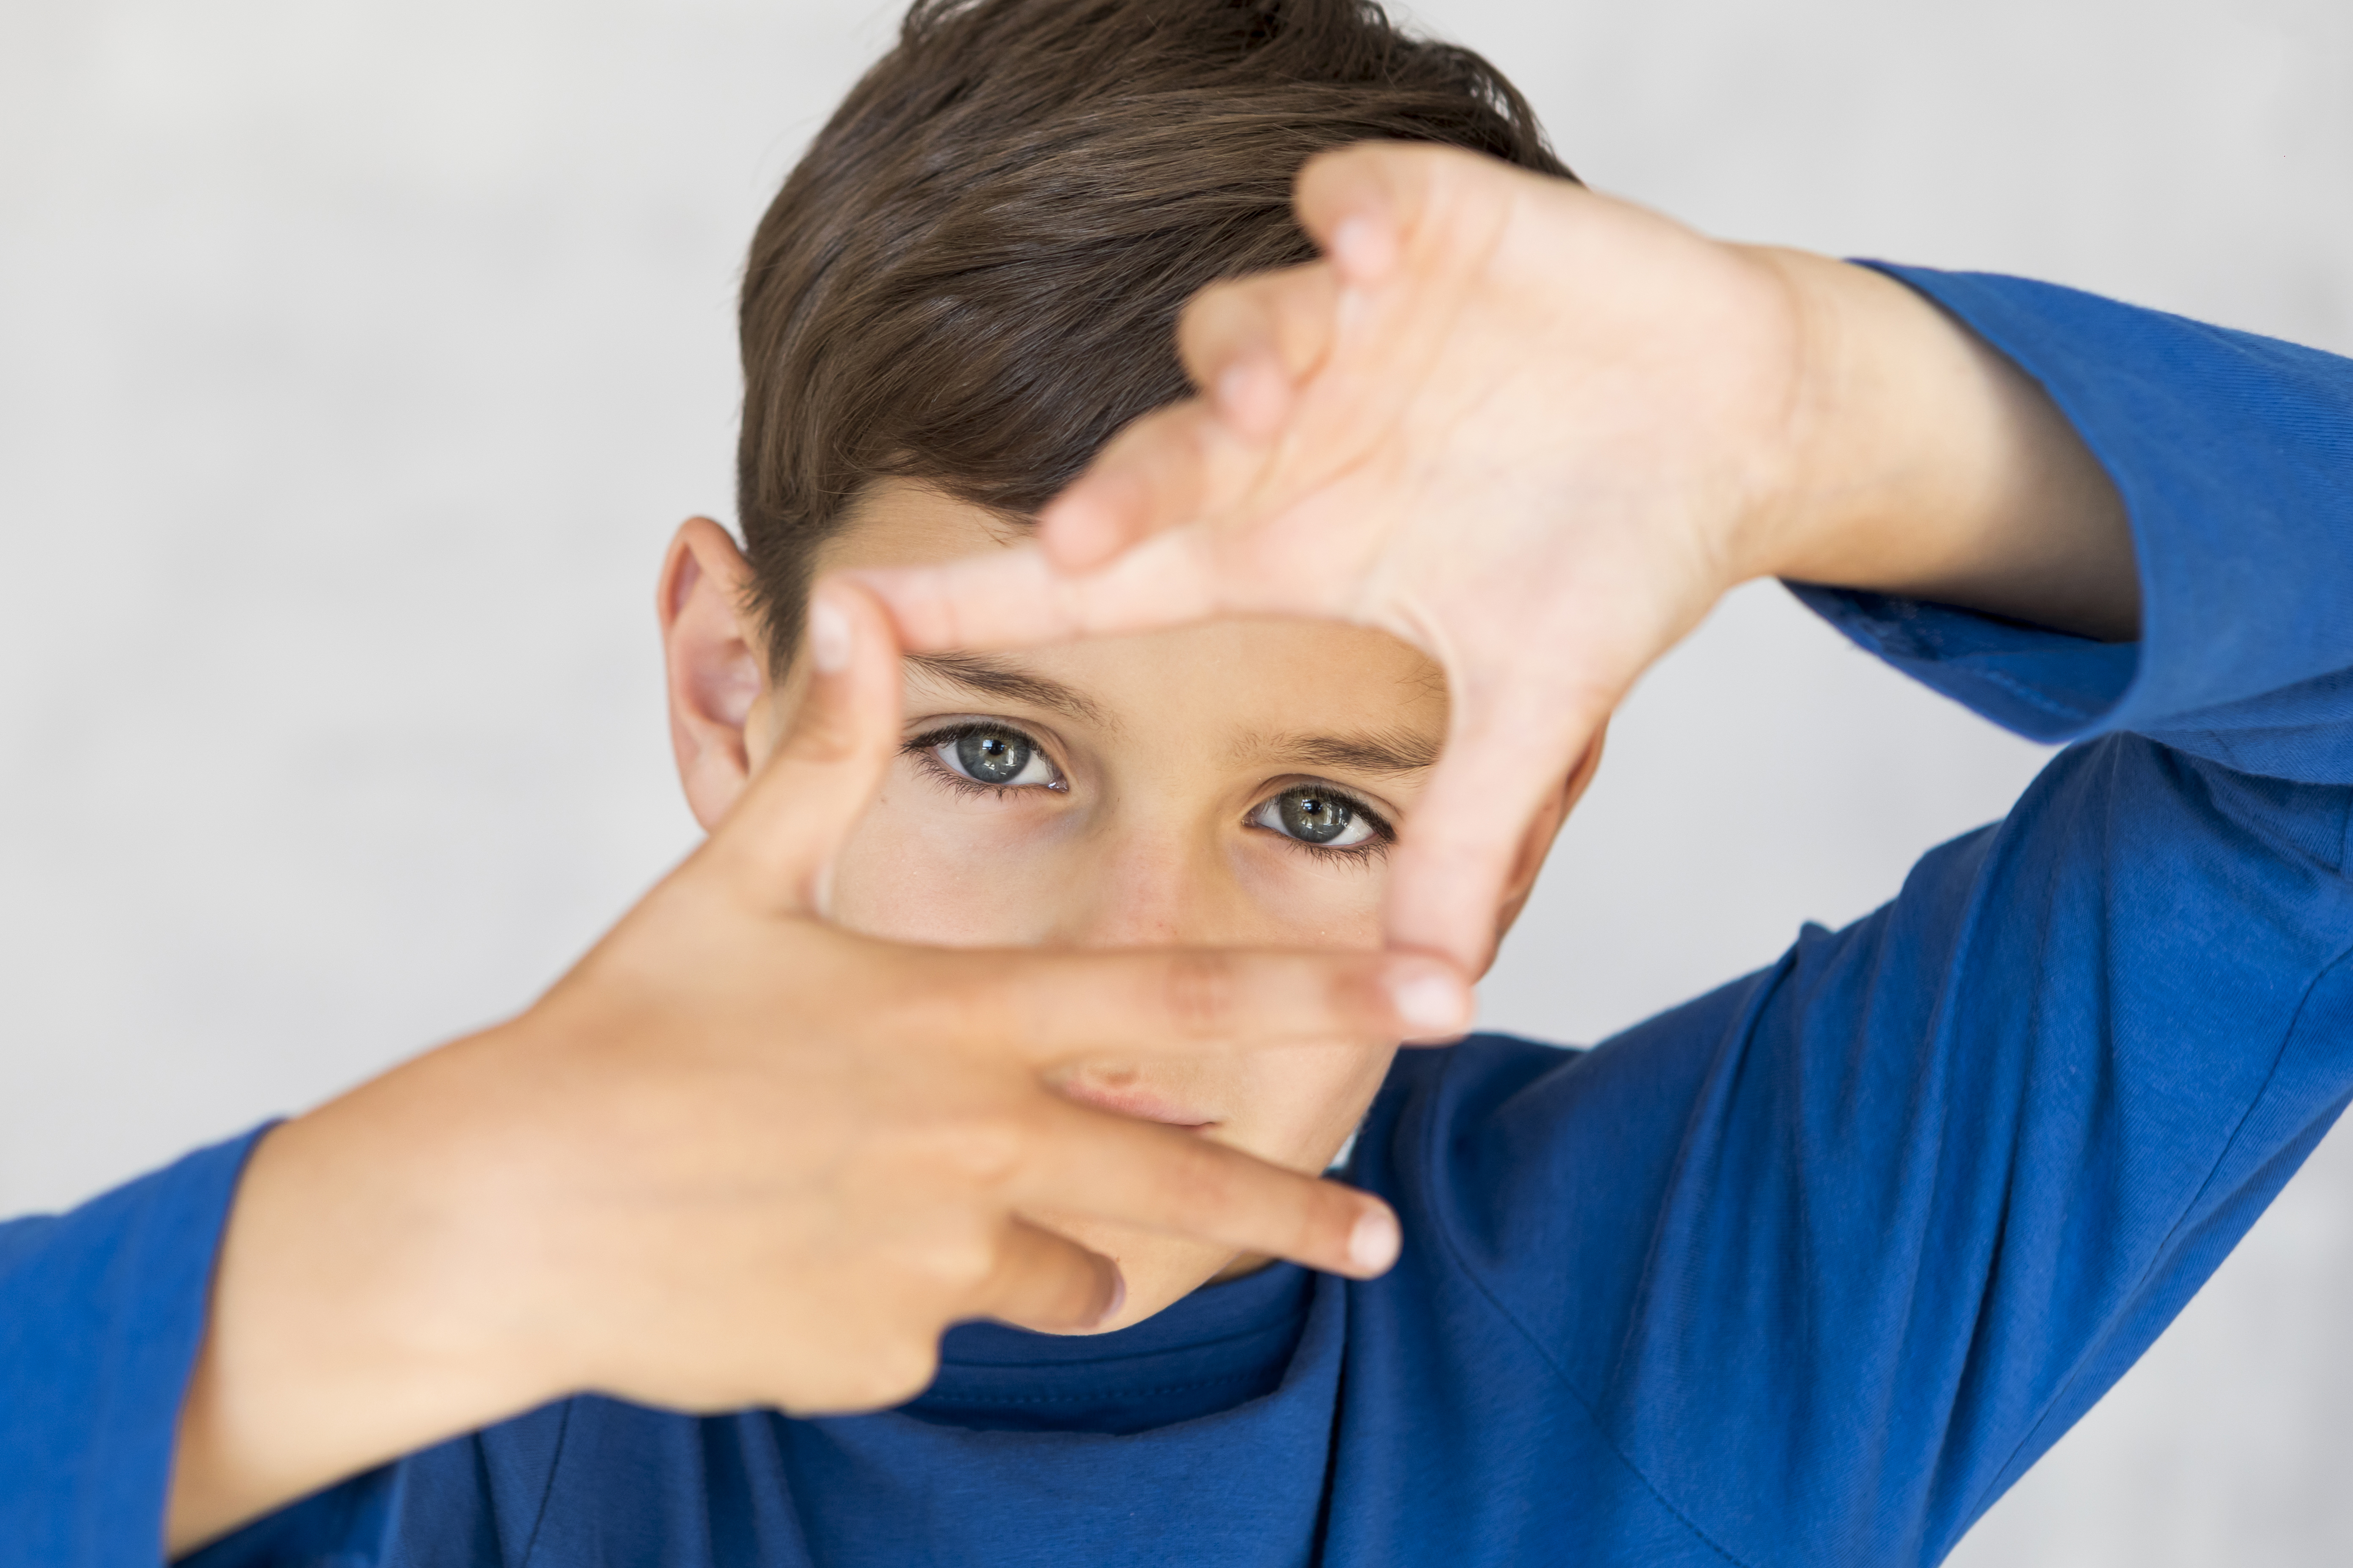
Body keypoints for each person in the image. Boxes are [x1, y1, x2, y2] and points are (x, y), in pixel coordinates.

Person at [6, 0, 2351, 1564]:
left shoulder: (1697, 1318)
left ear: (1512, 822)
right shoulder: (415, 1397)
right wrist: (376, 1258)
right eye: (994, 746)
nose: (1141, 980)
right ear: (736, 691)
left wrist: (1817, 407)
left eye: (1323, 806)